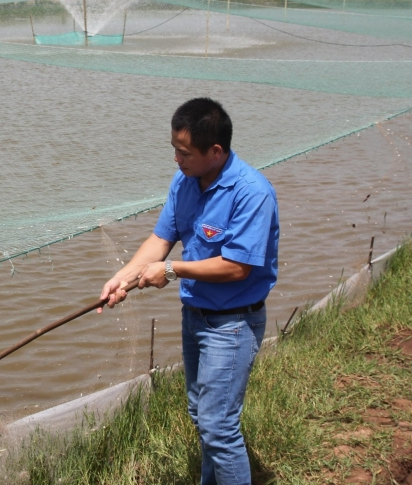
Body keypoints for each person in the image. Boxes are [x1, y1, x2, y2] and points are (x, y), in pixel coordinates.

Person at [99, 97, 279, 485]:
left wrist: (171, 270)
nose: (177, 160)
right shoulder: (185, 182)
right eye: (174, 150)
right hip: (195, 316)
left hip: (232, 324)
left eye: (185, 153)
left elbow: (237, 266)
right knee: (203, 416)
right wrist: (124, 278)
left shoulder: (252, 193)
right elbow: (161, 238)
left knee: (219, 426)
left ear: (215, 151)